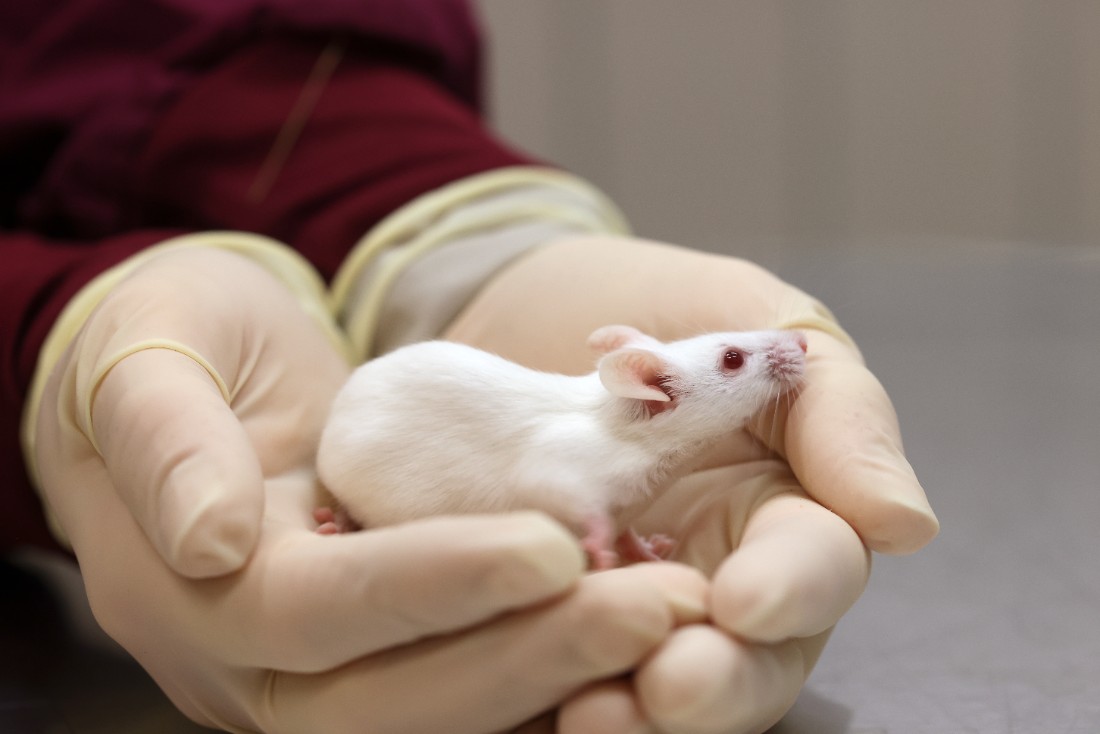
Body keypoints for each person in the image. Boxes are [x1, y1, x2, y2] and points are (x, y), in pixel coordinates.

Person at [0, 1, 938, 732]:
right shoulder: (609, 444)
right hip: (372, 446)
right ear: (653, 390)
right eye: (736, 358)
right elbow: (560, 485)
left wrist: (454, 231)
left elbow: (153, 46)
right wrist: (37, 338)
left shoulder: (635, 423)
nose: (781, 357)